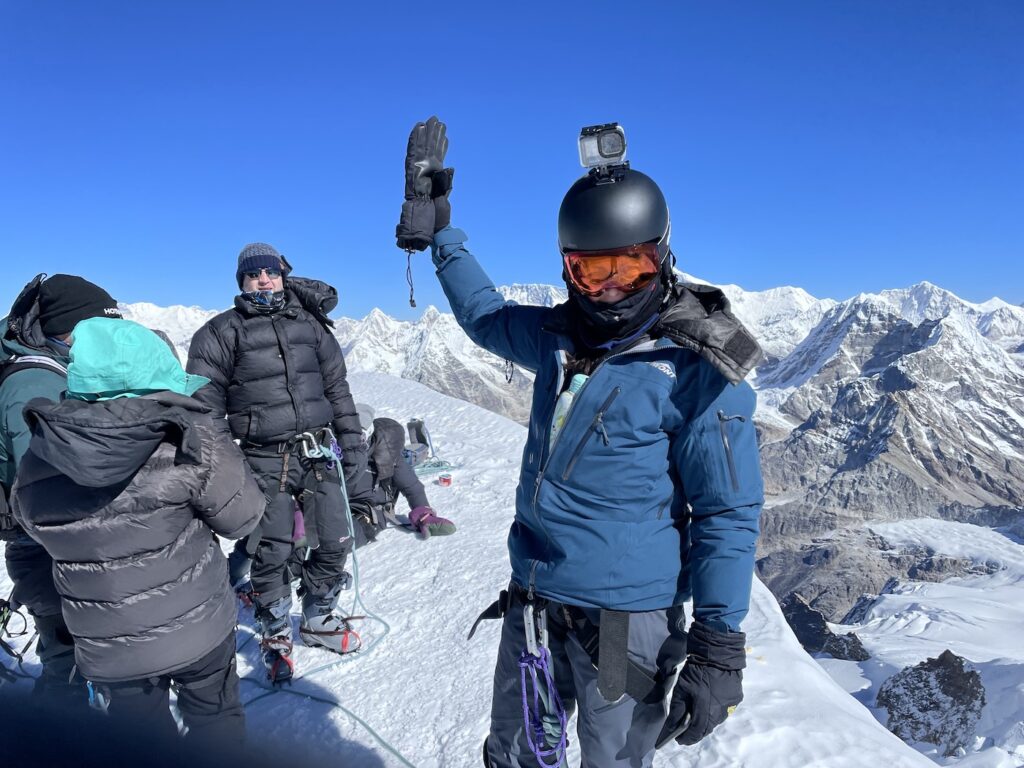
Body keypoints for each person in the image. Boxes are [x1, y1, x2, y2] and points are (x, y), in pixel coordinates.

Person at [396, 118, 764, 767]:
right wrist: (441, 228)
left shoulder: (698, 369)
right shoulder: (556, 336)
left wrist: (718, 645)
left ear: (663, 256)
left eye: (634, 267)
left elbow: (726, 513)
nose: (615, 288)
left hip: (623, 623)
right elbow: (483, 314)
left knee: (614, 758)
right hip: (534, 602)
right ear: (568, 269)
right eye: (595, 272)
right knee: (512, 753)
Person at [11, 317, 263, 747]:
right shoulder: (192, 440)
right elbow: (243, 516)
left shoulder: (41, 456)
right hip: (197, 627)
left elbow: (33, 527)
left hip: (107, 645)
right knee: (216, 724)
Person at [186, 243, 367, 683]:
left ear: (283, 276)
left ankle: (318, 615)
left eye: (270, 272)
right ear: (241, 282)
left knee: (336, 538)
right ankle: (275, 628)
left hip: (320, 452)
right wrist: (225, 464)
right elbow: (203, 409)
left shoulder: (311, 327)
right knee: (272, 548)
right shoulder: (220, 333)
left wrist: (354, 444)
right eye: (253, 274)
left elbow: (337, 392)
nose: (263, 279)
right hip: (262, 458)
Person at [0, 274, 122, 703]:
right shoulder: (34, 384)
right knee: (67, 657)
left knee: (73, 653)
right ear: (66, 330)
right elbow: (44, 483)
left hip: (50, 541)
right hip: (44, 545)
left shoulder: (57, 370)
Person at [347, 404, 455, 544]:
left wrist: (424, 515)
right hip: (333, 507)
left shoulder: (387, 454)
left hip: (368, 514)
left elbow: (411, 486)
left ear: (368, 434)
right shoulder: (332, 450)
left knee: (336, 541)